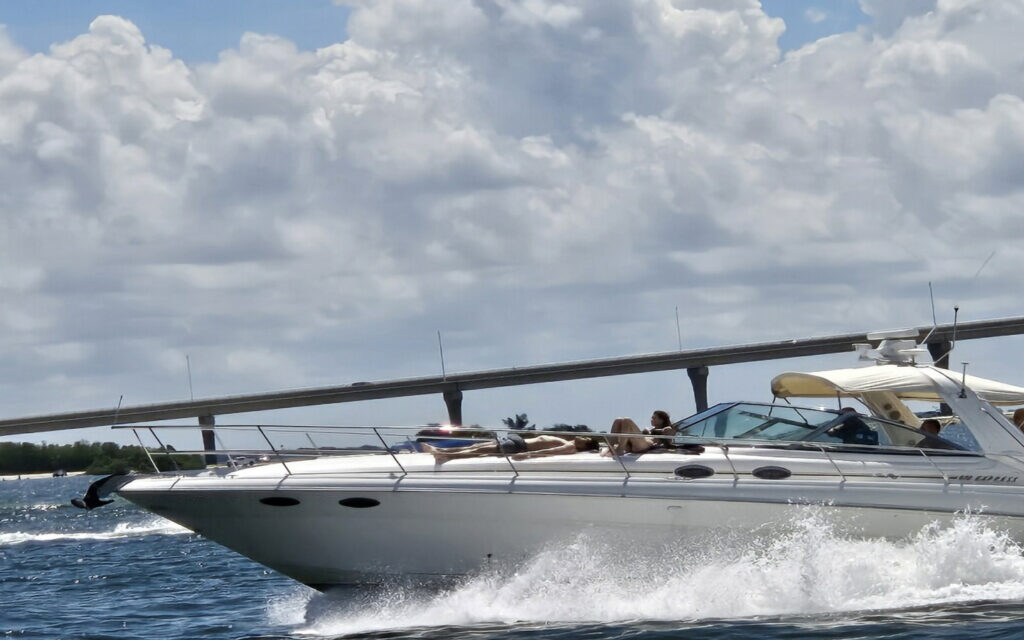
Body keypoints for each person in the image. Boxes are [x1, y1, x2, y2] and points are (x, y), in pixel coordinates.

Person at [421, 433, 599, 463]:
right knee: (478, 445)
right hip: (518, 441)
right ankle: (442, 451)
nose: (581, 437)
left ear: (584, 445)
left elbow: (546, 452)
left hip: (518, 446)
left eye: (585, 438)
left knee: (479, 451)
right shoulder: (569, 443)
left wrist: (527, 456)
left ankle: (445, 456)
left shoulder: (570, 447)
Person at [602, 410, 675, 456]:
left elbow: (671, 432)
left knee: (627, 420)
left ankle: (620, 449)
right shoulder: (649, 430)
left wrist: (667, 430)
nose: (651, 420)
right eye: (651, 418)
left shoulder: (664, 430)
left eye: (654, 418)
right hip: (633, 444)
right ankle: (610, 448)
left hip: (645, 447)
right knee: (618, 420)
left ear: (661, 420)